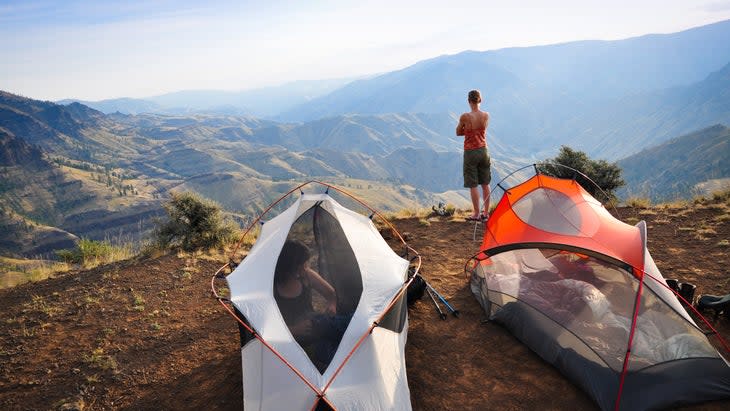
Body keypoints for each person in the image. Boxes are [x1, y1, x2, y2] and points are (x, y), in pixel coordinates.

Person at [274, 239, 337, 339]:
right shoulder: (272, 285)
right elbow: (266, 325)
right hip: (284, 339)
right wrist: (294, 330)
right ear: (289, 266)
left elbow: (332, 294)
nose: (305, 267)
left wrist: (332, 305)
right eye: (301, 265)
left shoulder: (307, 275)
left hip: (313, 328)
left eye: (306, 264)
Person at [456, 89, 492, 221]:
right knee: (485, 183)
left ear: (468, 101)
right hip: (484, 150)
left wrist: (467, 130)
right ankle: (486, 214)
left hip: (471, 151)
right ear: (480, 100)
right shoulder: (486, 115)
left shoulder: (465, 117)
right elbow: (483, 130)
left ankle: (476, 214)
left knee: (473, 184)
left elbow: (458, 132)